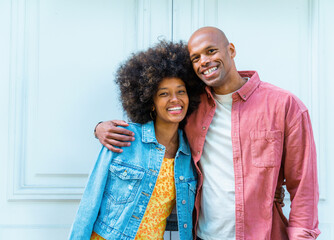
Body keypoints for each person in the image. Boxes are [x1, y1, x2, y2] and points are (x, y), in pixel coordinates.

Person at [95, 27, 320, 239]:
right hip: (203, 235)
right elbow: (154, 126)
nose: (204, 61)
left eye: (211, 51)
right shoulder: (191, 106)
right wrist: (100, 128)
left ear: (231, 50)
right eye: (196, 57)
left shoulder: (284, 105)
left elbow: (303, 186)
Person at [69, 41, 204, 240]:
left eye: (181, 91)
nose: (175, 99)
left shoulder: (189, 153)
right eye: (164, 93)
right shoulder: (125, 138)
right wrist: (98, 128)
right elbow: (90, 202)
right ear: (150, 101)